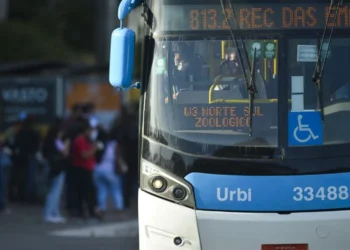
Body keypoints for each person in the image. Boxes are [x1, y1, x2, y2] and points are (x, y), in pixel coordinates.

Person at [71, 118, 101, 220]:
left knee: (88, 191)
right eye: (90, 130)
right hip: (82, 169)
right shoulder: (80, 140)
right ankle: (87, 212)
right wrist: (94, 148)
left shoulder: (87, 140)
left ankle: (89, 211)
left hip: (87, 169)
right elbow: (84, 155)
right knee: (86, 192)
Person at [94, 129, 126, 218]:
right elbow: (118, 157)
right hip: (111, 170)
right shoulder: (114, 144)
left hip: (98, 169)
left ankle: (101, 209)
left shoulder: (98, 144)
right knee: (116, 190)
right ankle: (119, 209)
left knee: (101, 190)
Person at [42, 122, 70, 223]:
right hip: (57, 169)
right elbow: (65, 153)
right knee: (55, 192)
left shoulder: (47, 141)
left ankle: (54, 213)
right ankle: (50, 213)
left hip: (51, 168)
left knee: (54, 191)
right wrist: (67, 144)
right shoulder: (56, 142)